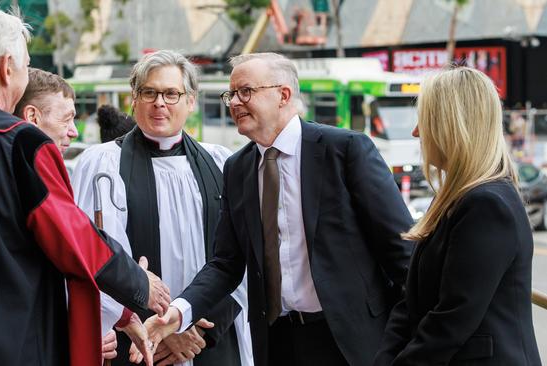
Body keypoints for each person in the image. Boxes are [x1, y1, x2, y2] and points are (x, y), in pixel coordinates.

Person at [0, 5, 170, 366]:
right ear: (6, 67)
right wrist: (138, 283)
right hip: (3, 345)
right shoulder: (21, 143)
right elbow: (75, 239)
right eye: (26, 66)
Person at [139, 52, 414, 366]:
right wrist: (178, 313)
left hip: (353, 343)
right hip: (278, 342)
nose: (234, 103)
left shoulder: (345, 151)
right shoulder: (237, 169)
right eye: (231, 94)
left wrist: (404, 341)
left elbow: (402, 254)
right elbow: (226, 264)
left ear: (283, 95)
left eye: (246, 92)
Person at [71, 50, 253, 366]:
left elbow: (245, 257)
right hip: (138, 340)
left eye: (171, 94)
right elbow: (92, 258)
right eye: (149, 92)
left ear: (191, 101)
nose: (160, 103)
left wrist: (193, 326)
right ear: (134, 98)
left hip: (209, 336)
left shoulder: (222, 163)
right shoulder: (101, 166)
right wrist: (161, 328)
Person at [373, 67, 541, 365]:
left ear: (451, 125)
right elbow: (412, 303)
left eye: (423, 121)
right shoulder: (458, 195)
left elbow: (451, 319)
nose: (416, 132)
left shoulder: (486, 204)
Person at [14, 67, 139, 362]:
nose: (74, 131)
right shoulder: (32, 174)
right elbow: (76, 250)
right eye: (67, 118)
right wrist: (138, 288)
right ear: (32, 117)